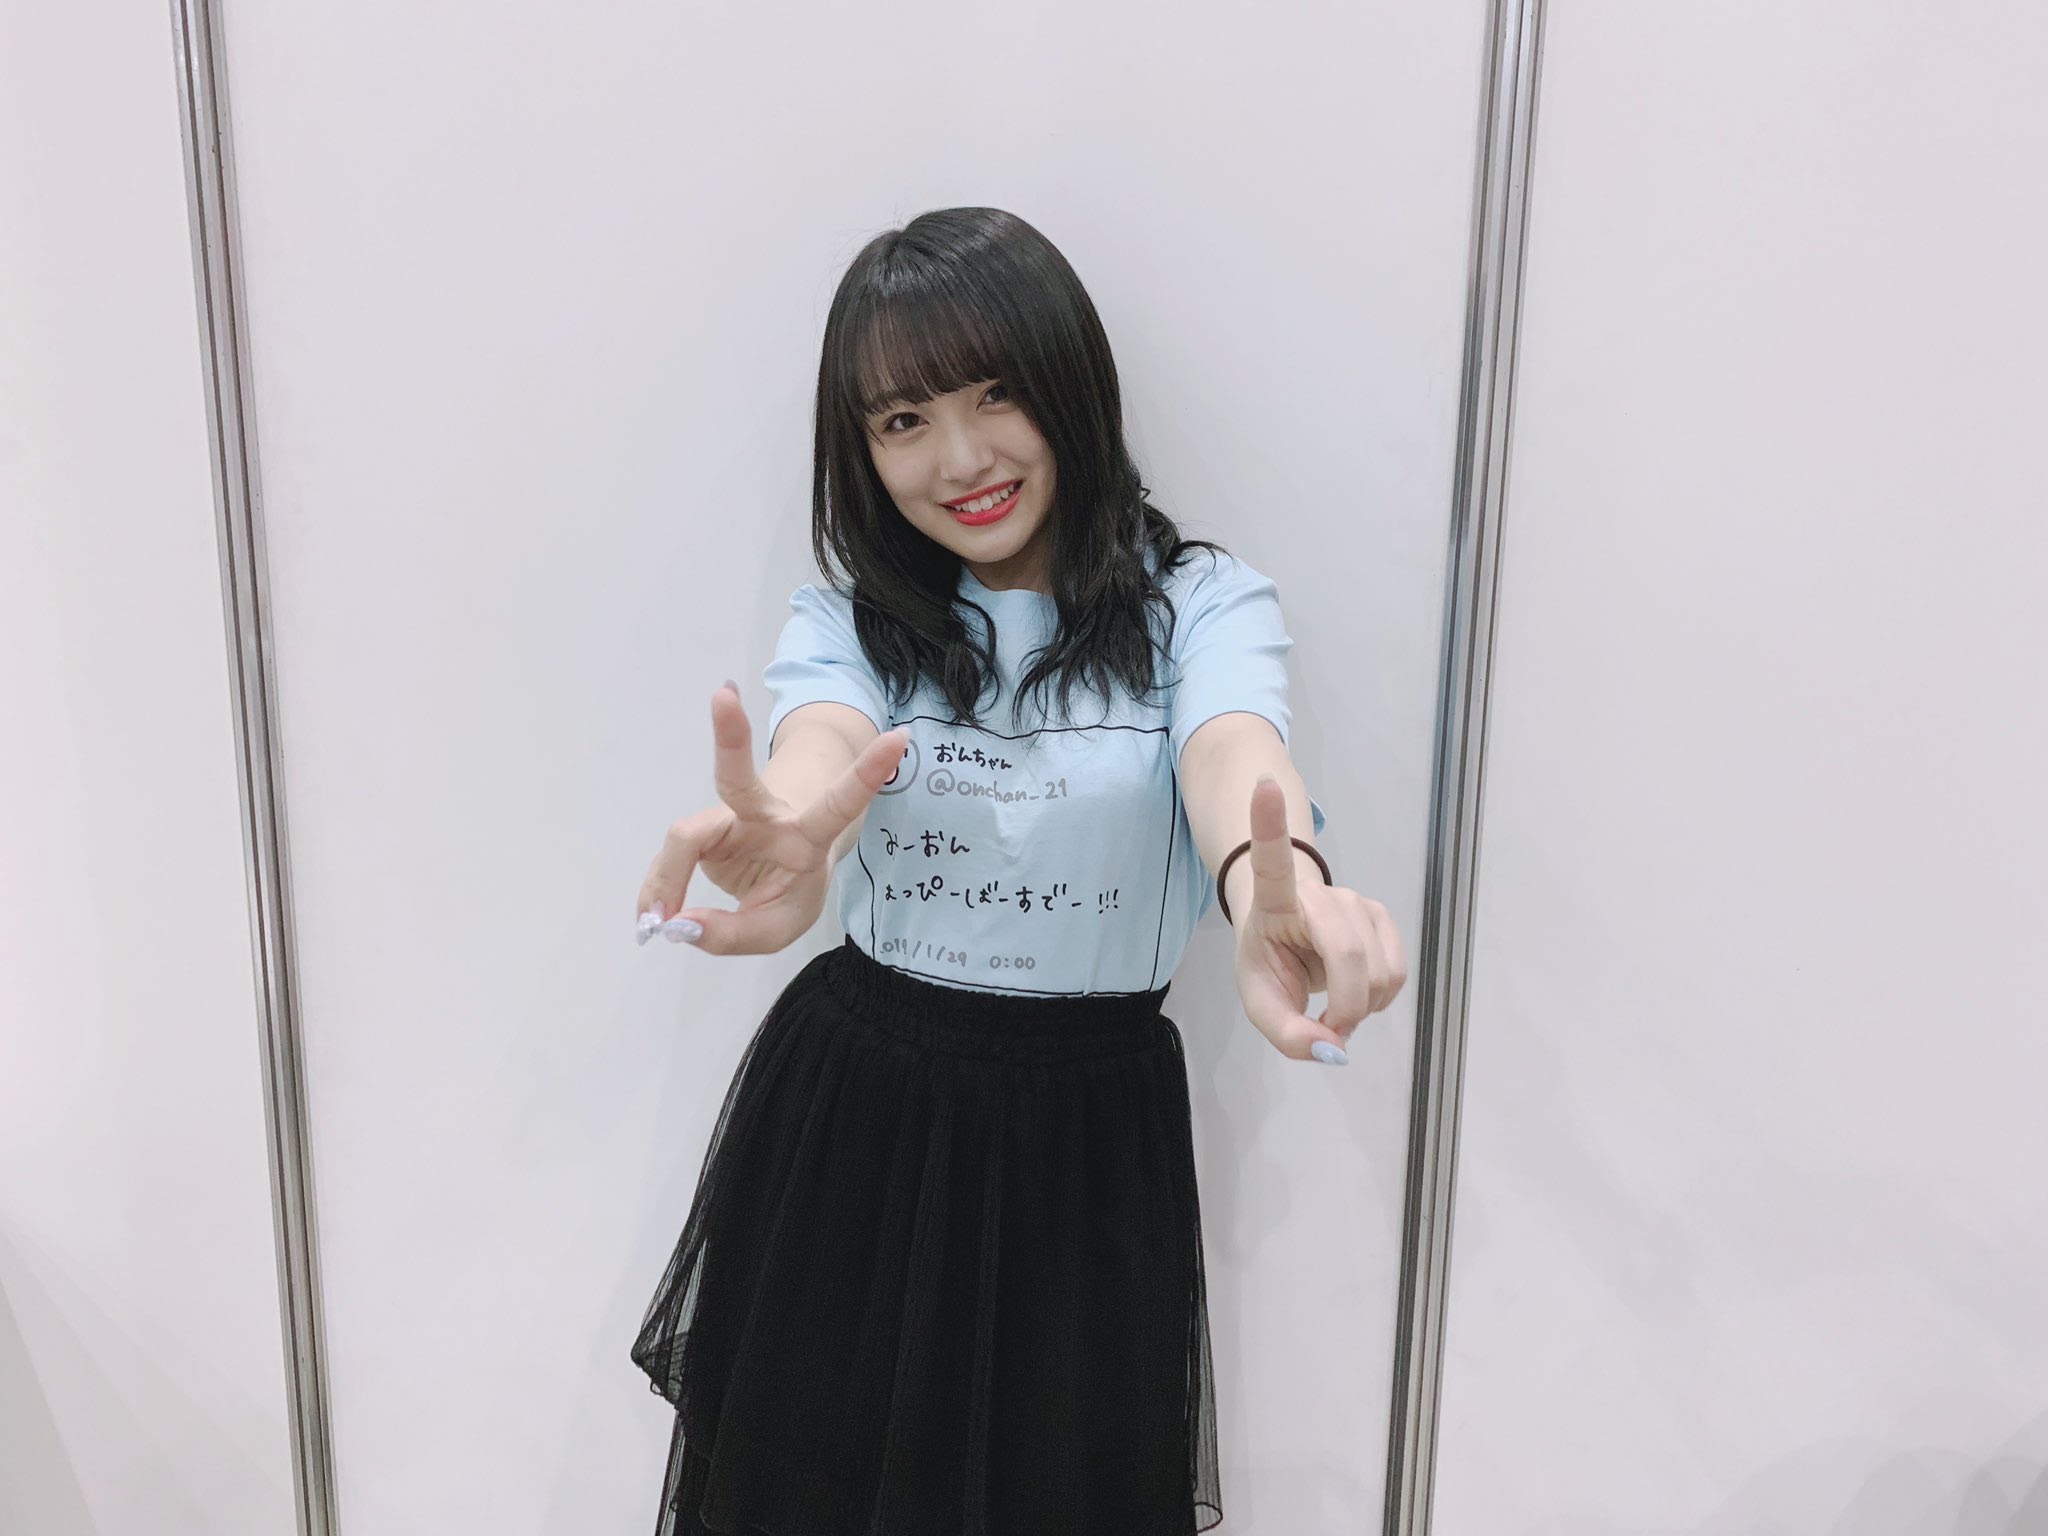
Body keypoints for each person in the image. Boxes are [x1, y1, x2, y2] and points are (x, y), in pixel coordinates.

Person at [628, 207, 1407, 1536]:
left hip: (1084, 1144)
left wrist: (1273, 882)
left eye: (996, 393)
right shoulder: (854, 622)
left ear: (1070, 384)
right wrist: (798, 823)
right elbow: (820, 742)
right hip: (859, 1117)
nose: (962, 458)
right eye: (904, 420)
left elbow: (1233, 749)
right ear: (862, 451)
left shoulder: (1196, 606)